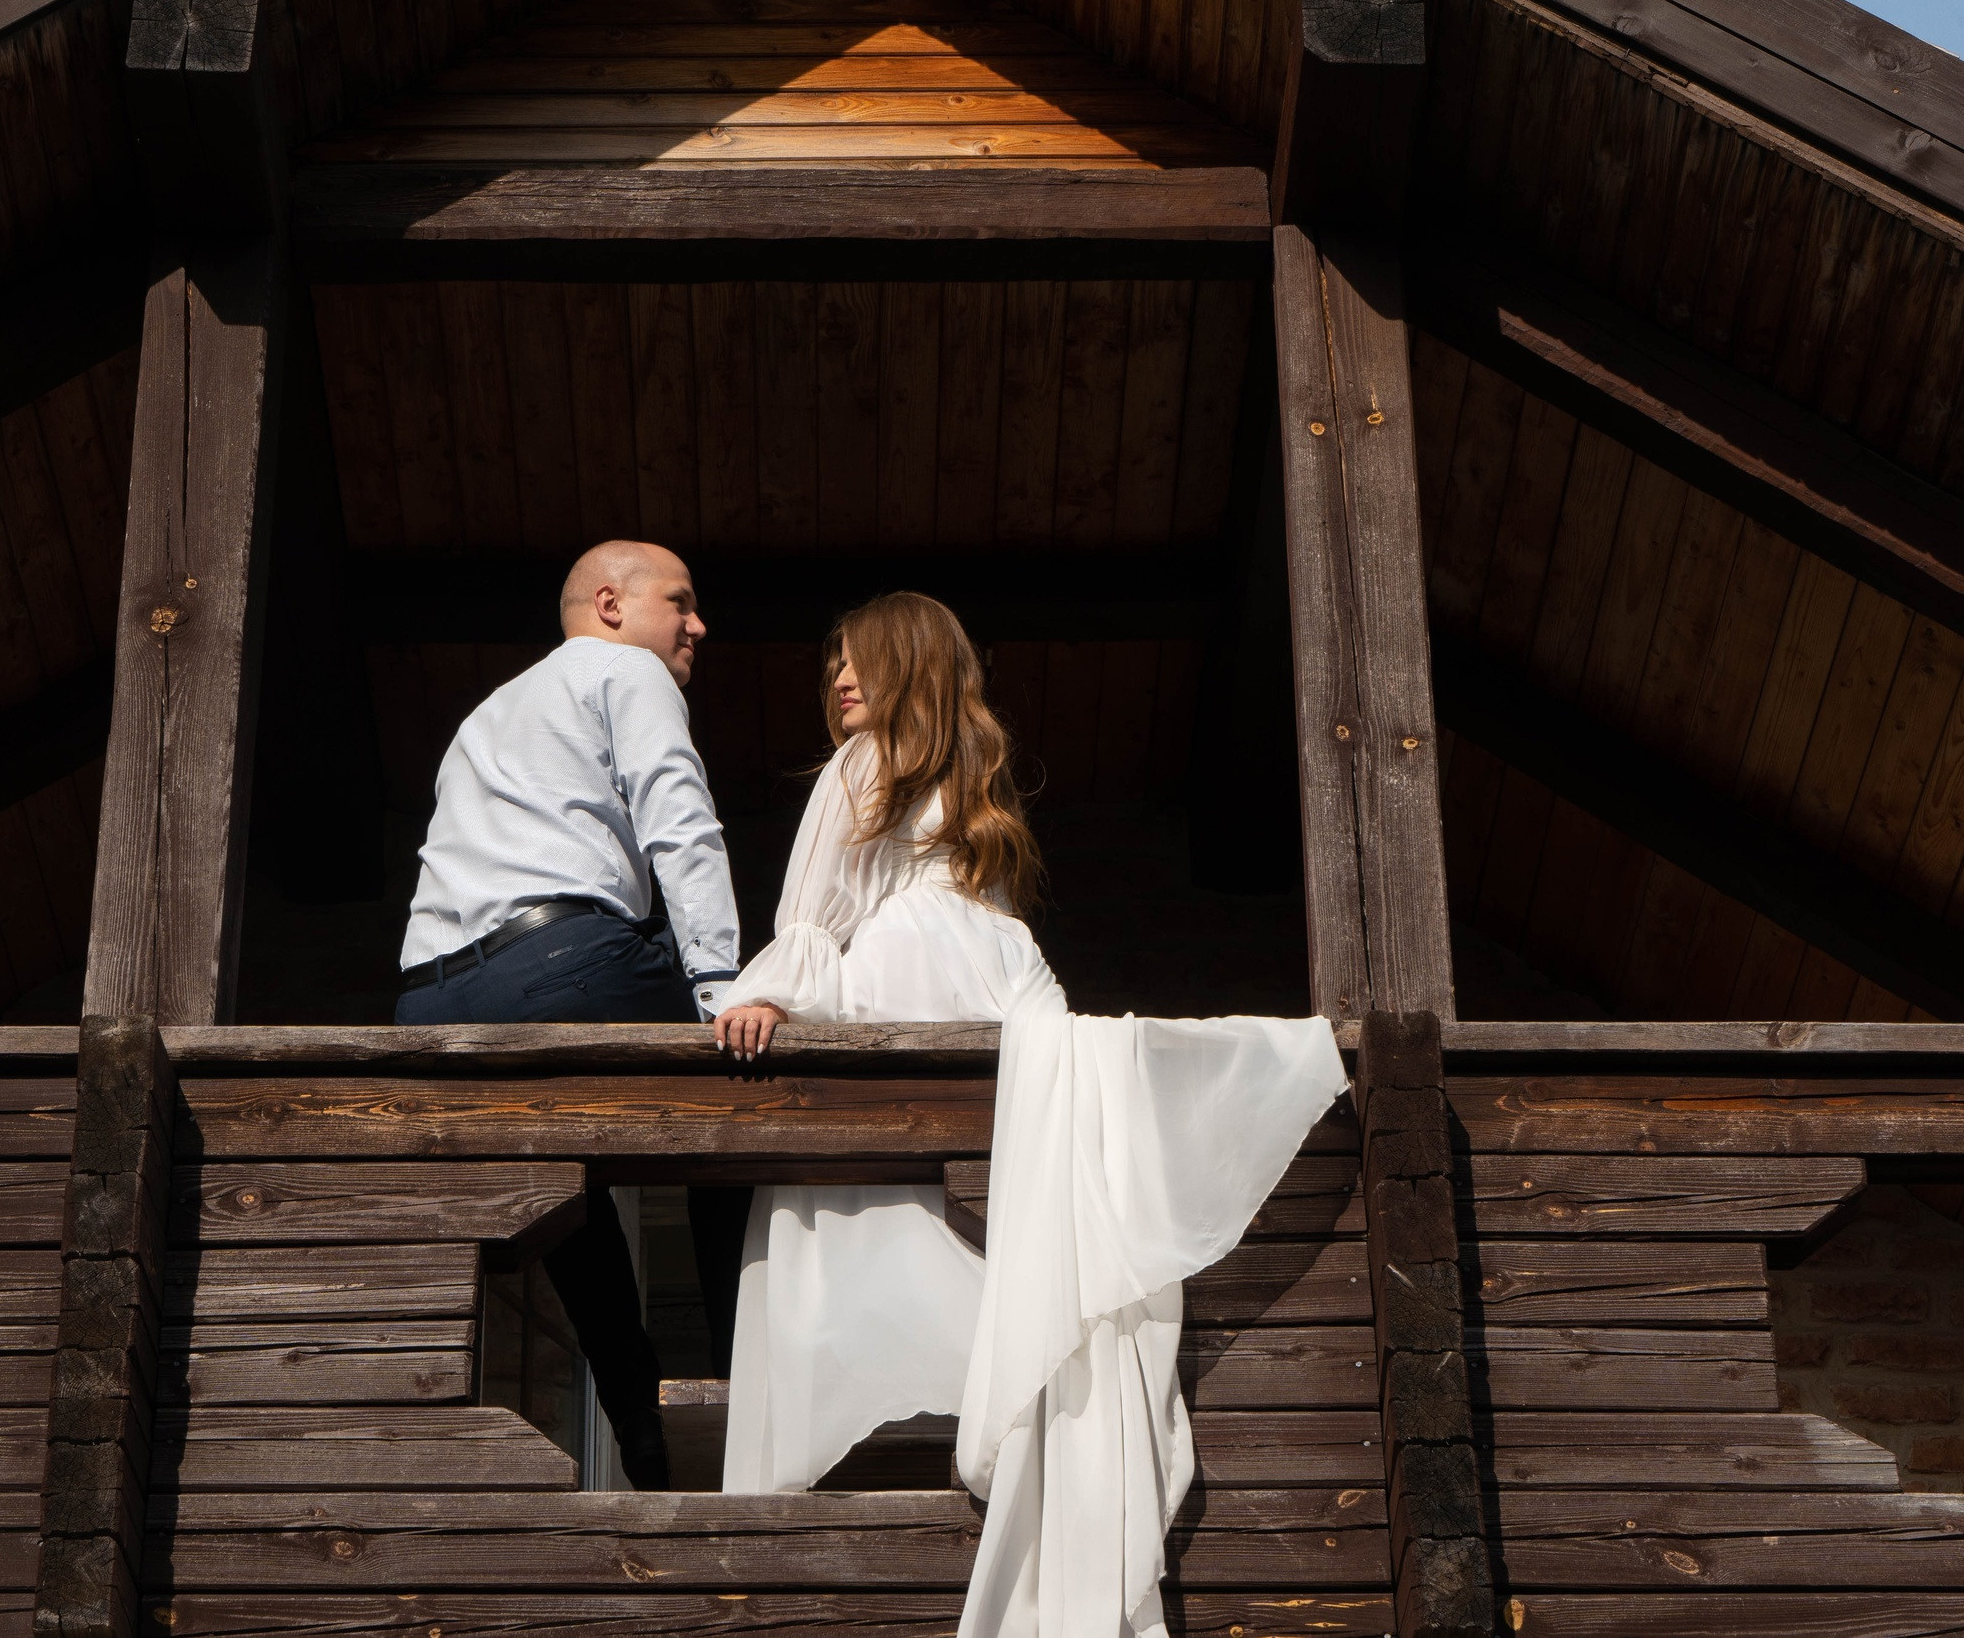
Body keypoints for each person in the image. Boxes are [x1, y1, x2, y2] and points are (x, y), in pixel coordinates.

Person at [711, 591, 1347, 1638]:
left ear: (910, 663)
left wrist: (780, 979)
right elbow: (820, 924)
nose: (837, 681)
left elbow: (813, 913)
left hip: (946, 977)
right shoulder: (924, 779)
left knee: (959, 1198)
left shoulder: (885, 769)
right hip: (989, 984)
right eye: (829, 665)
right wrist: (776, 989)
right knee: (1052, 1195)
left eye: (857, 660)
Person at [395, 538, 751, 1490]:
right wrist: (721, 992)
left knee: (569, 1191)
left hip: (429, 997)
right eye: (680, 600)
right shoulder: (626, 672)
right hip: (560, 960)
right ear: (609, 603)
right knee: (746, 1093)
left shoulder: (486, 713)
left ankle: (633, 1406)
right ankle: (749, 1387)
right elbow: (681, 823)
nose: (696, 623)